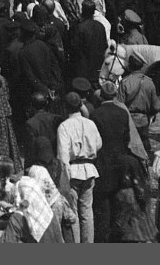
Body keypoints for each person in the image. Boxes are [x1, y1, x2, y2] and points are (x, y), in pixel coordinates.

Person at [56, 91, 101, 243]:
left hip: (73, 171)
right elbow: (99, 144)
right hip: (89, 170)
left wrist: (64, 179)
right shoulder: (90, 124)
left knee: (73, 211)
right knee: (87, 211)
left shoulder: (64, 127)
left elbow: (63, 156)